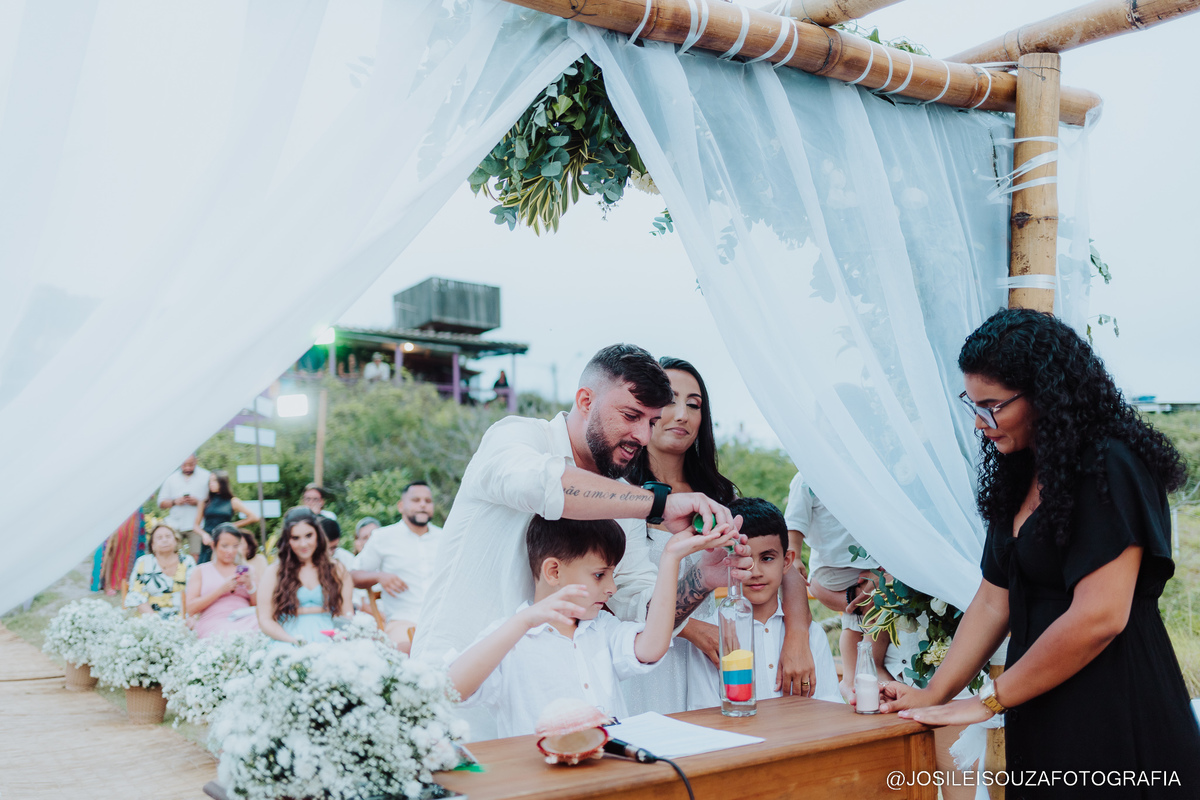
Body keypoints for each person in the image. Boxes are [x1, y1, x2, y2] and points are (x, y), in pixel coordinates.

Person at [879, 308, 1200, 796]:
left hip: (1115, 703)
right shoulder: (1020, 471)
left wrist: (989, 701)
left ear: (1047, 395)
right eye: (973, 404)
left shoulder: (1110, 464)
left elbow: (1100, 617)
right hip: (1041, 701)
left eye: (994, 406)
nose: (980, 422)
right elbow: (993, 600)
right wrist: (933, 694)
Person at [412, 344, 746, 676]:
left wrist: (702, 577)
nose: (643, 436)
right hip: (455, 681)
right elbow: (545, 486)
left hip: (546, 694)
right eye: (631, 416)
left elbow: (639, 612)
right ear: (585, 401)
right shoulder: (516, 437)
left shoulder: (624, 498)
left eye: (652, 422)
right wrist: (660, 504)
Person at [623, 357, 816, 715]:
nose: (681, 414)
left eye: (694, 405)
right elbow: (614, 595)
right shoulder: (624, 496)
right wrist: (690, 629)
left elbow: (782, 563)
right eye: (669, 401)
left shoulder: (721, 499)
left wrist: (798, 636)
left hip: (713, 665)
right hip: (646, 663)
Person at [449, 515, 736, 737]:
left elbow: (652, 647)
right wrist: (524, 621)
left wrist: (671, 557)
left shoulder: (602, 629)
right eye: (600, 575)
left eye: (612, 575)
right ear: (553, 571)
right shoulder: (509, 639)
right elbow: (453, 689)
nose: (611, 588)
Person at [686, 498, 840, 708]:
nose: (755, 572)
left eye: (767, 558)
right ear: (726, 560)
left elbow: (831, 704)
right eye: (744, 558)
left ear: (786, 562)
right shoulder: (711, 637)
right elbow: (702, 713)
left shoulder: (812, 634)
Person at [784, 471, 890, 701]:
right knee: (878, 606)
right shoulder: (807, 477)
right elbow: (794, 522)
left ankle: (851, 678)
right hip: (833, 568)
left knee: (853, 622)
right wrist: (795, 556)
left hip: (864, 563)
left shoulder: (859, 473)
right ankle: (874, 666)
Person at [352, 481, 442, 652]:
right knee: (405, 650)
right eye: (415, 500)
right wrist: (379, 577)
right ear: (401, 506)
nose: (423, 504)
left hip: (442, 620)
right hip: (402, 620)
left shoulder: (444, 538)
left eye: (428, 501)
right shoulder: (382, 537)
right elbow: (353, 576)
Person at [257, 508, 354, 645]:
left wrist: (340, 639)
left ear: (318, 535)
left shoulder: (336, 569)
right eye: (295, 538)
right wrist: (291, 640)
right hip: (286, 639)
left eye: (309, 536)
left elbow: (347, 615)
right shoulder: (274, 573)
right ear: (287, 540)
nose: (303, 544)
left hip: (330, 640)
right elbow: (265, 619)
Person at [186, 524, 260, 639]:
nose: (230, 551)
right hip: (214, 621)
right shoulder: (201, 570)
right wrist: (221, 590)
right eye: (225, 546)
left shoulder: (248, 570)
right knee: (229, 634)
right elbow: (191, 608)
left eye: (235, 546)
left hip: (246, 617)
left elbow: (259, 605)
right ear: (213, 545)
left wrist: (250, 586)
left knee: (262, 623)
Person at [124, 524, 195, 617]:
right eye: (159, 538)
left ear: (176, 541)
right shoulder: (143, 562)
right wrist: (156, 621)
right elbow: (137, 594)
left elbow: (194, 592)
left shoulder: (187, 561)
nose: (164, 540)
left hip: (183, 615)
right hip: (150, 617)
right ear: (152, 545)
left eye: (168, 536)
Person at [193, 470, 260, 564]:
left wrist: (231, 526)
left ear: (222, 482)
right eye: (210, 481)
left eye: (214, 481)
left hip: (225, 539)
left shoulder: (232, 501)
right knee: (205, 566)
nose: (211, 484)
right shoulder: (204, 502)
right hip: (208, 540)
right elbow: (196, 526)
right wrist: (204, 535)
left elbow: (254, 517)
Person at [157, 454, 211, 560]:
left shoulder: (206, 476)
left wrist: (198, 502)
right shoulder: (171, 478)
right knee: (172, 554)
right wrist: (174, 502)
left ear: (196, 461)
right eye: (184, 465)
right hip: (175, 524)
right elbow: (161, 503)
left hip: (197, 525)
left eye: (191, 464)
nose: (187, 468)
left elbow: (214, 501)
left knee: (197, 556)